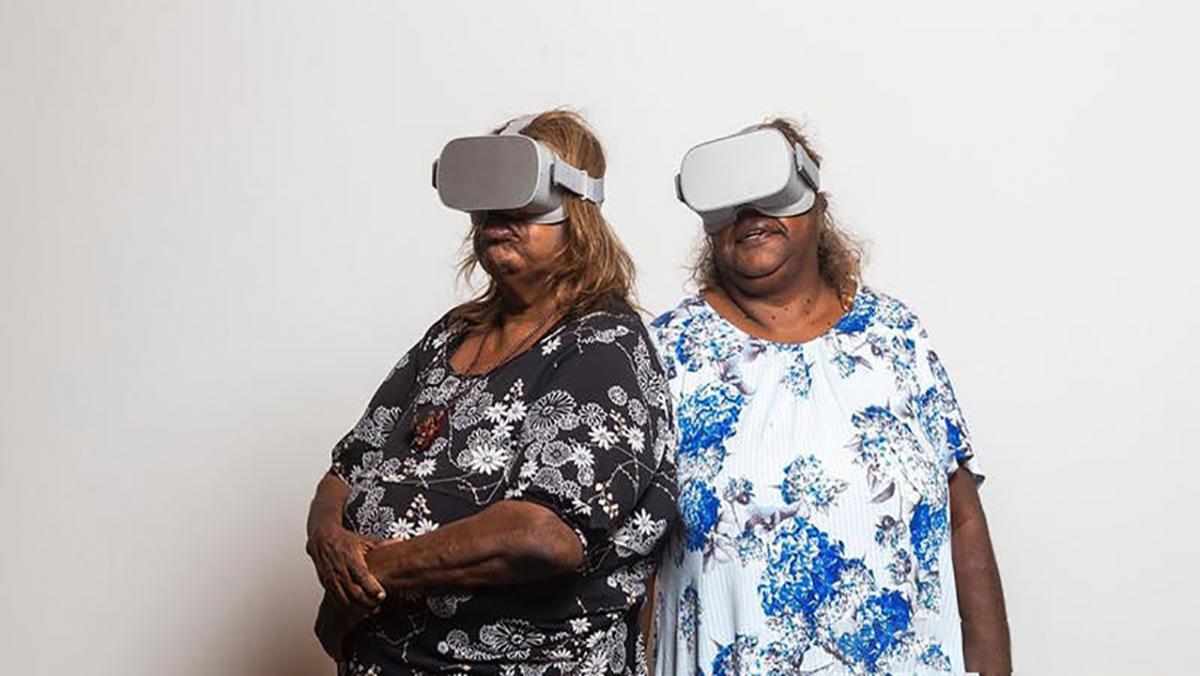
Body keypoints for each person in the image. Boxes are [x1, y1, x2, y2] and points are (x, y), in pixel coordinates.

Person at [305, 110, 678, 675]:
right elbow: (346, 468)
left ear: (575, 206)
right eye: (485, 192)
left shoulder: (605, 348)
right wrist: (328, 542)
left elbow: (540, 535)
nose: (498, 214)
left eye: (520, 192)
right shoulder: (450, 336)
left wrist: (365, 582)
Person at [650, 119, 1010, 674]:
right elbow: (633, 554)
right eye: (729, 200)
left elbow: (963, 521)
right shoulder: (667, 352)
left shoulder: (896, 337)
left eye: (771, 189)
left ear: (818, 205)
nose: (750, 214)